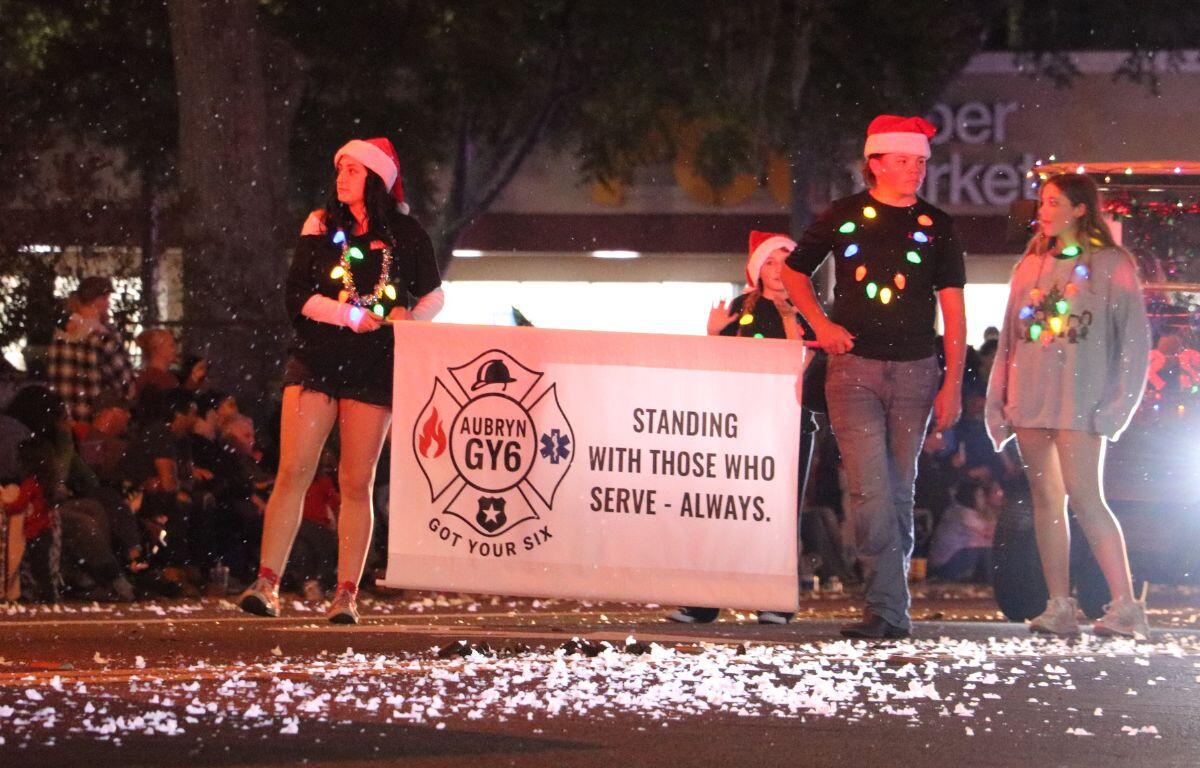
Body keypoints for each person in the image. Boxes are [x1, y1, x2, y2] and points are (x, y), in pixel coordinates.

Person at [238, 136, 443, 624]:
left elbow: (434, 296)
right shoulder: (321, 224)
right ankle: (267, 583)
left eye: (353, 170)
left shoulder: (407, 233)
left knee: (356, 480)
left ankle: (346, 594)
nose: (342, 177)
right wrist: (347, 316)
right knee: (294, 470)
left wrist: (409, 316)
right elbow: (297, 296)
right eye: (340, 169)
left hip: (373, 365)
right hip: (317, 359)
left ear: (375, 179)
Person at [781, 115, 967, 639]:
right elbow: (794, 270)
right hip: (853, 370)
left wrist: (953, 382)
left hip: (916, 371)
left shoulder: (937, 224)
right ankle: (888, 604)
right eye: (903, 160)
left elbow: (954, 311)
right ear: (875, 163)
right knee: (869, 487)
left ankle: (888, 604)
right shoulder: (844, 215)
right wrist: (821, 325)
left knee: (899, 488)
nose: (914, 170)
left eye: (921, 162)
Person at [985, 172, 1152, 637]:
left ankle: (1125, 604)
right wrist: (1000, 401)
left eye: (1054, 202)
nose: (1044, 210)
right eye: (1042, 201)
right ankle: (1059, 604)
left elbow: (1134, 341)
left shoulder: (1111, 264)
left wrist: (1118, 405)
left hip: (1081, 401)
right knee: (1046, 501)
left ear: (1080, 209)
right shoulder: (1030, 266)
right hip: (1030, 400)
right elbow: (1009, 339)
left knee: (1085, 498)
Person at [667, 231, 809, 626]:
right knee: (723, 511)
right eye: (770, 262)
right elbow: (717, 367)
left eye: (785, 262)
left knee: (778, 514)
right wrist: (713, 334)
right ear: (757, 269)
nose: (777, 270)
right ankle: (703, 601)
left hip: (788, 423)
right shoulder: (739, 307)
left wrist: (788, 315)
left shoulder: (810, 308)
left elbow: (802, 364)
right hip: (738, 423)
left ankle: (773, 600)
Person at [46, 277, 135, 423]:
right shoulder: (103, 338)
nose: (108, 305)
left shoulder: (58, 339)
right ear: (101, 300)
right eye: (107, 299)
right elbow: (127, 387)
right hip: (94, 426)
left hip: (63, 425)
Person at [929, 476, 999, 582]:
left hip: (951, 562)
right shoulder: (962, 513)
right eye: (979, 495)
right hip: (946, 566)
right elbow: (991, 532)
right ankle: (991, 585)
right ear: (970, 496)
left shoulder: (957, 511)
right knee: (986, 553)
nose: (983, 500)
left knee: (988, 550)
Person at [134, 329, 181, 396]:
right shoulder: (153, 379)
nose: (175, 349)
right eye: (171, 345)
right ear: (159, 349)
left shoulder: (166, 376)